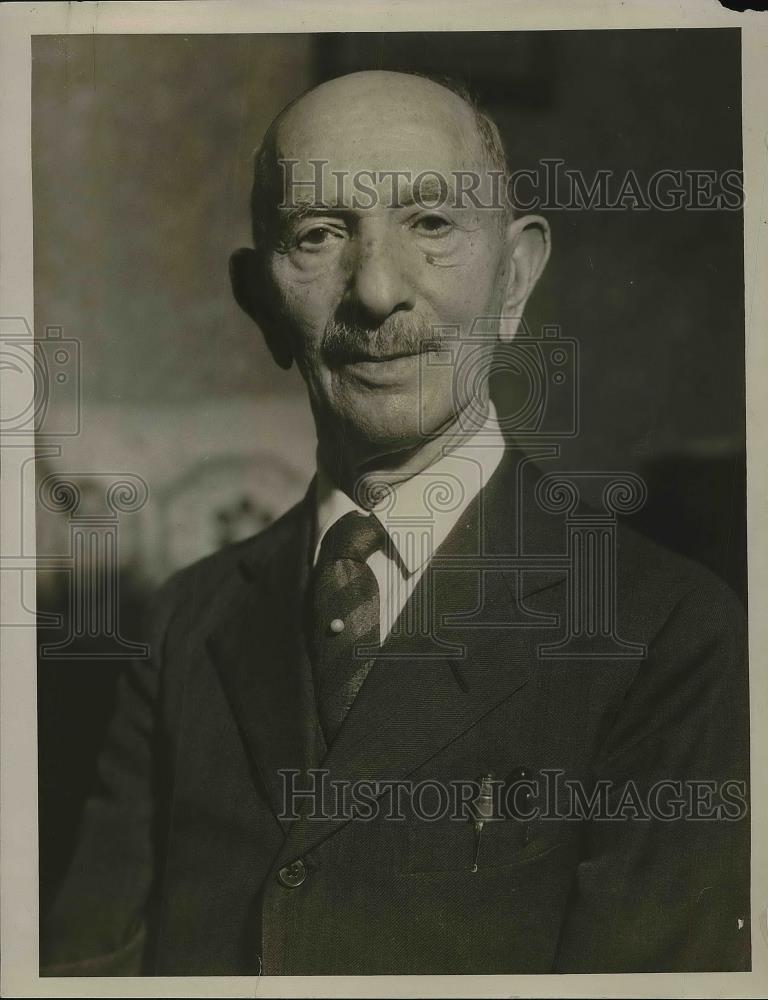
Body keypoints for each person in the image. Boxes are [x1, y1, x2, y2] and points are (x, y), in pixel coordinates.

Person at [41, 70, 750, 977]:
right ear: (262, 302)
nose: (376, 290)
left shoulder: (670, 630)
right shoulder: (185, 622)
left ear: (516, 276)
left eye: (431, 224)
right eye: (319, 234)